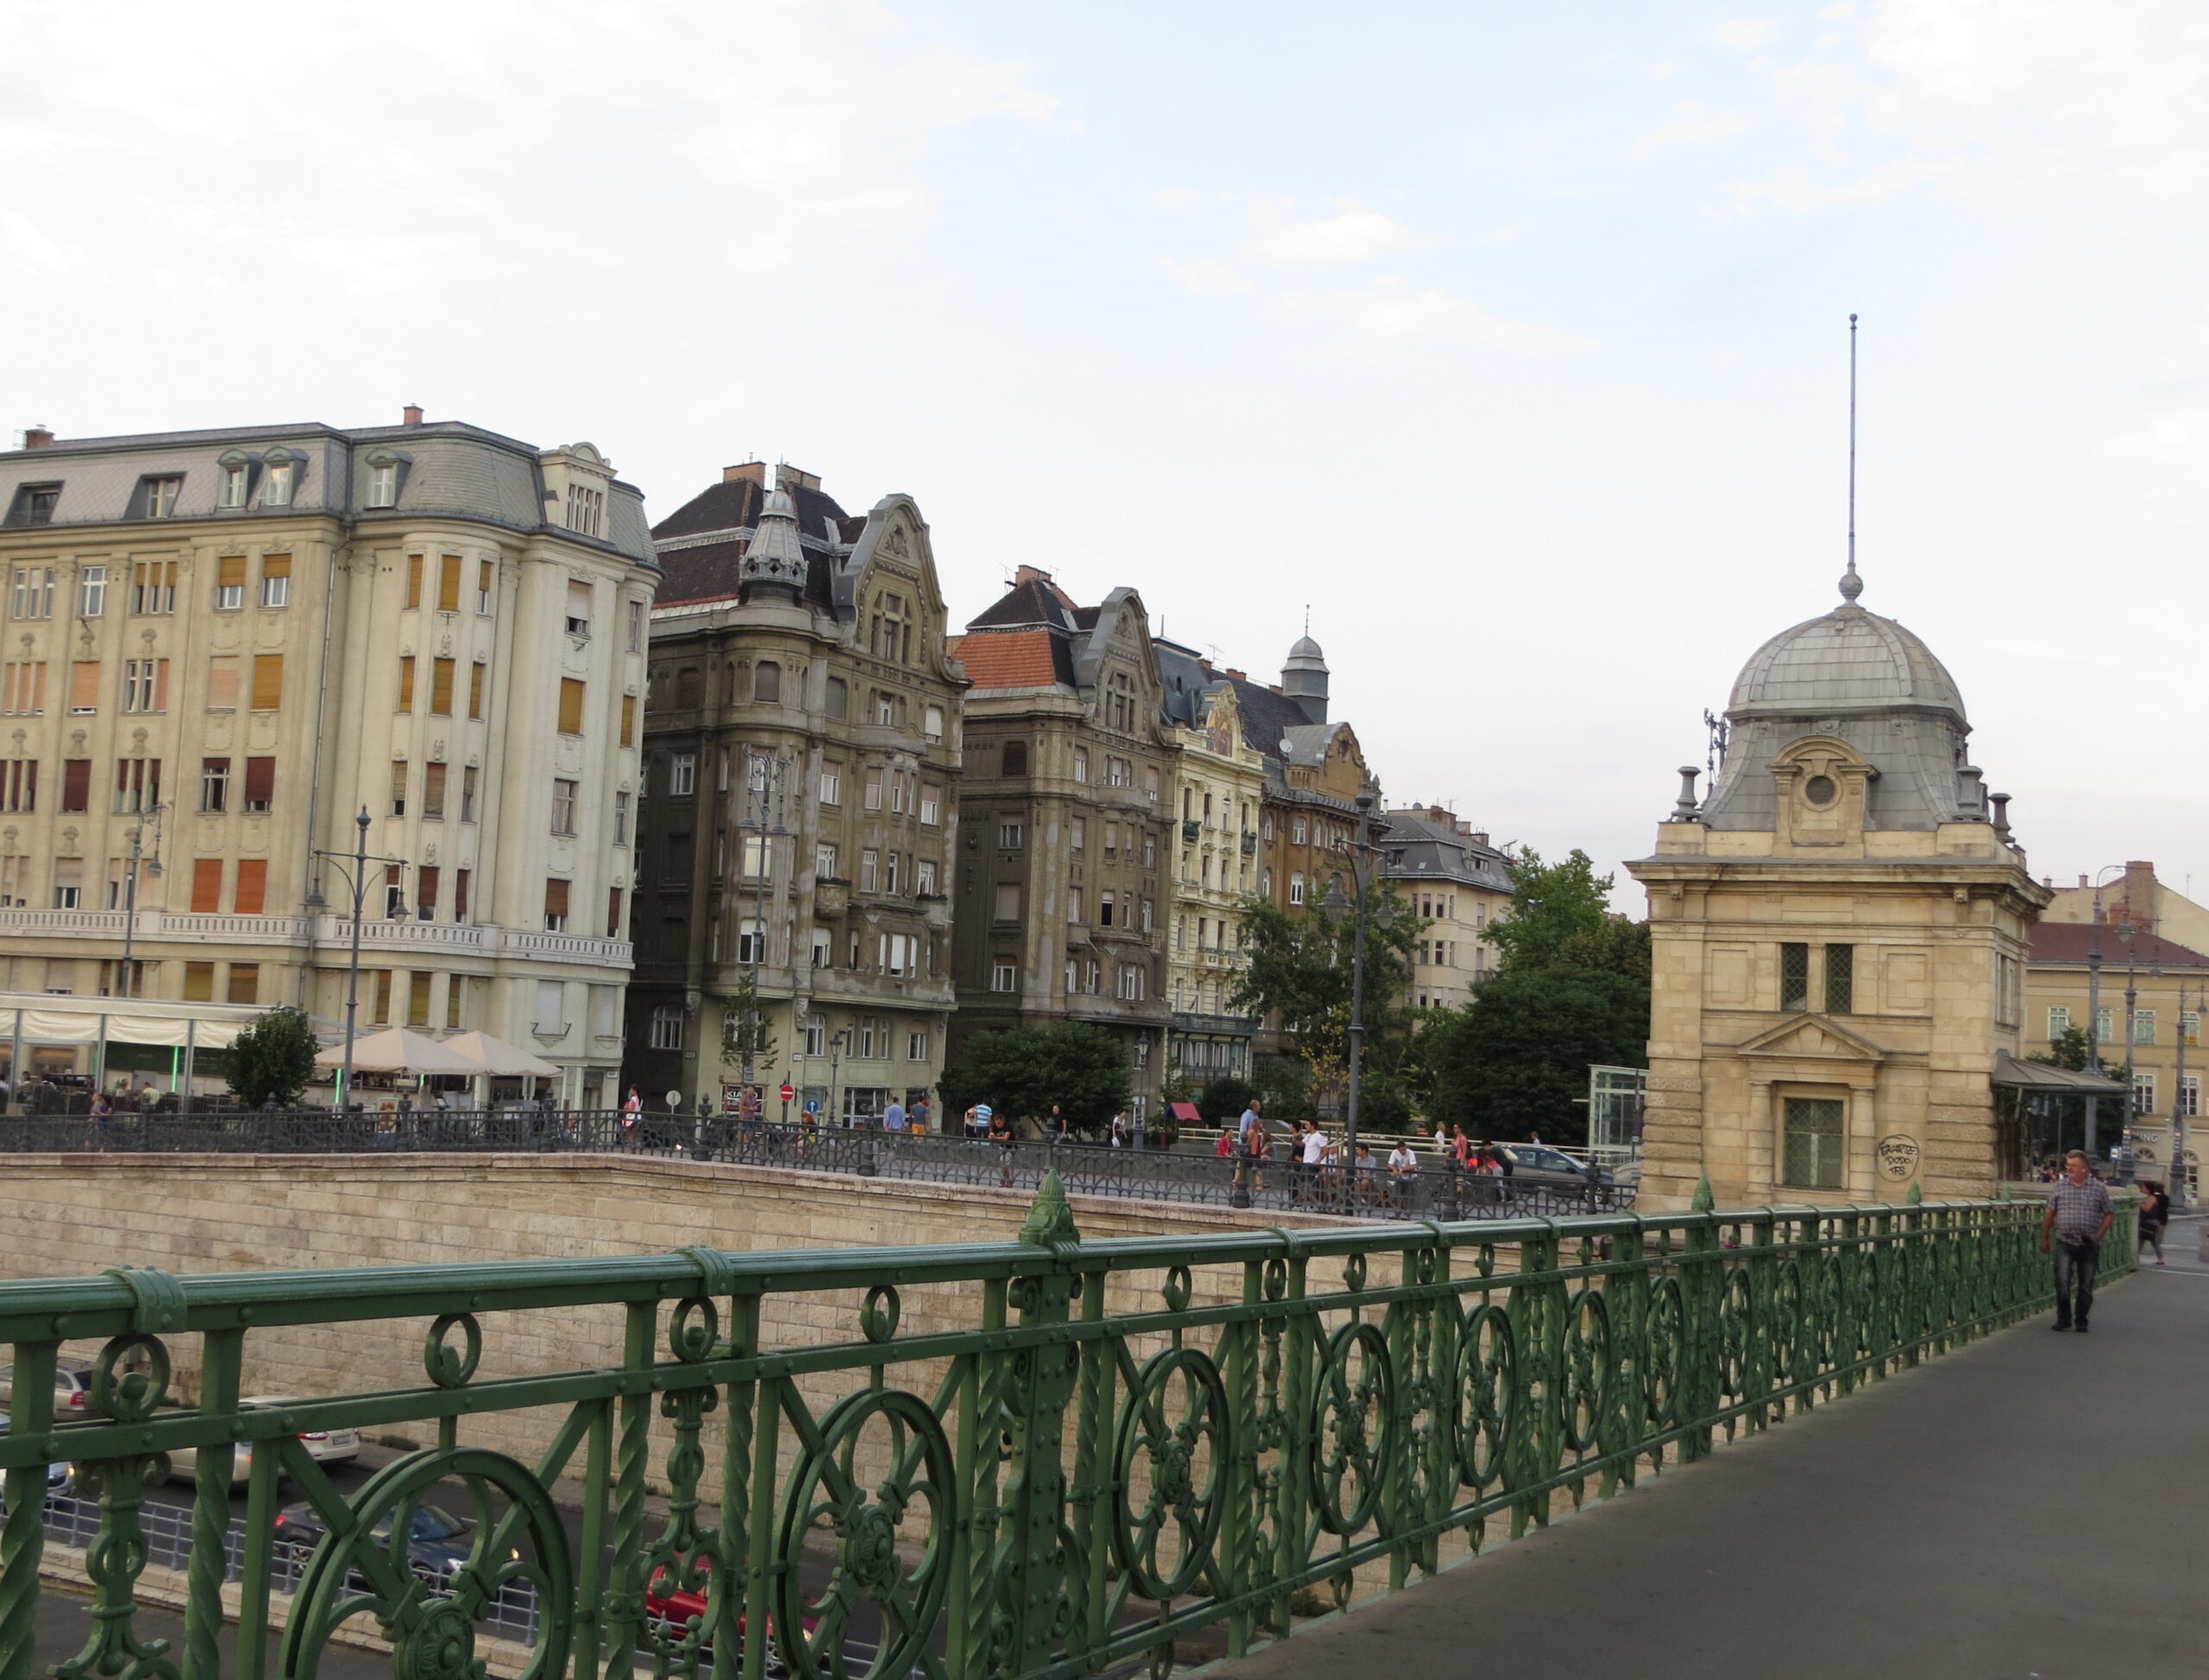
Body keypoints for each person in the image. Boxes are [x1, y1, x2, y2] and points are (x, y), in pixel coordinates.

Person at [2039, 1150, 2116, 1331]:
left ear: (2084, 1168)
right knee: (2062, 1280)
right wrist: (2044, 1238)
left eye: (2073, 1166)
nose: (2068, 1169)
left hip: (2089, 1243)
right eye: (2067, 1165)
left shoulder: (2098, 1188)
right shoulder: (2059, 1187)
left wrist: (2099, 1235)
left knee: (2086, 1285)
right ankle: (2064, 1318)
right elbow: (2050, 1213)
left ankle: (2081, 1320)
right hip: (2064, 1241)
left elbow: (2110, 1213)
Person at [2137, 1179, 2170, 1267]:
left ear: (2148, 1189)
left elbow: (2147, 1209)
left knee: (2146, 1239)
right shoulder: (2148, 1197)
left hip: (2150, 1222)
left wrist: (2139, 1203)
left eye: (2143, 1187)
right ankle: (2160, 1259)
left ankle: (2135, 1257)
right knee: (2147, 1240)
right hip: (2147, 1221)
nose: (2141, 1189)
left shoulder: (2152, 1198)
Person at [1388, 1137, 1419, 1206]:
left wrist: (1402, 1170)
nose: (1403, 1152)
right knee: (1396, 1191)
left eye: (1404, 1149)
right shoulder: (1394, 1153)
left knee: (1408, 1192)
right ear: (1398, 1150)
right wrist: (1394, 1169)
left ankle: (1406, 1205)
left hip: (1411, 1177)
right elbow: (1389, 1164)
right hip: (1400, 1177)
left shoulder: (1410, 1153)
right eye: (1401, 1150)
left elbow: (1413, 1166)